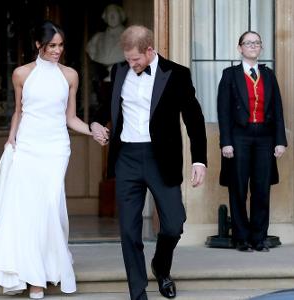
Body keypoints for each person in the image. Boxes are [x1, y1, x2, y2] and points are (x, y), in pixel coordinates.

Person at [90, 25, 207, 300]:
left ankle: (161, 267)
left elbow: (194, 118)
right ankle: (138, 291)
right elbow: (102, 110)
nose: (131, 64)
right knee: (129, 230)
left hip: (160, 159)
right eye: (128, 59)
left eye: (136, 59)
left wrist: (199, 160)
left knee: (174, 224)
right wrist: (95, 124)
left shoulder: (177, 74)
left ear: (150, 50)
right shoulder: (119, 71)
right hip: (127, 158)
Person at [0, 21, 91, 299]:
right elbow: (19, 111)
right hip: (27, 147)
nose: (57, 50)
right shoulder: (21, 74)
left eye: (61, 45)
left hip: (56, 149)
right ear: (38, 45)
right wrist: (11, 139)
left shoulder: (70, 76)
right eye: (52, 45)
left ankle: (47, 270)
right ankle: (33, 278)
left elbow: (70, 117)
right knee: (28, 212)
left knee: (50, 207)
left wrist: (93, 130)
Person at [217, 31, 287, 252]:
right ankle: (241, 238)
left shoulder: (268, 75)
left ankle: (258, 237)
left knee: (261, 188)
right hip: (239, 137)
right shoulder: (230, 74)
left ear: (261, 47)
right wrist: (225, 142)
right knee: (238, 188)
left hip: (265, 137)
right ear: (240, 48)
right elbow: (223, 110)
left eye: (257, 42)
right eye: (248, 43)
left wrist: (280, 141)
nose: (253, 46)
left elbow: (277, 108)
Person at [86, 4, 126, 81]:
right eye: (109, 14)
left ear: (121, 16)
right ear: (105, 18)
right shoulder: (96, 39)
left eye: (115, 13)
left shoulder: (131, 38)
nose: (112, 17)